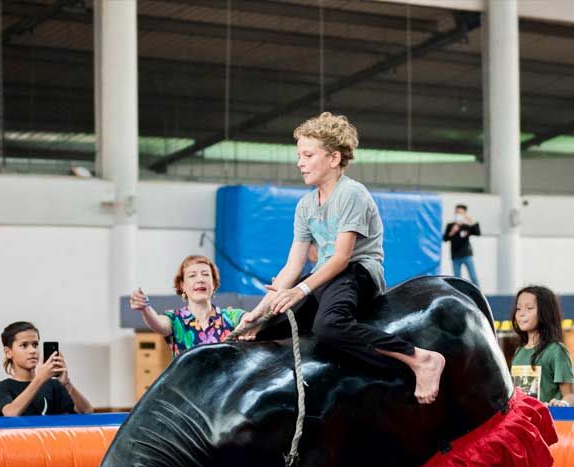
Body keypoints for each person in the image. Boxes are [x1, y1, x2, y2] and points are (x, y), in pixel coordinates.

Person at [234, 111, 446, 404]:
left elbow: (341, 259)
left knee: (328, 326)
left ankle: (419, 358)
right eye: (299, 155)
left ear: (333, 159)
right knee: (266, 330)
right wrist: (260, 313)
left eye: (308, 155)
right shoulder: (306, 206)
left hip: (357, 272)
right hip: (323, 278)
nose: (300, 162)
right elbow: (292, 266)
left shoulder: (352, 194)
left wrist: (300, 290)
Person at [129, 255, 245, 359]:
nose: (200, 279)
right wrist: (145, 308)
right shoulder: (175, 319)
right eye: (192, 275)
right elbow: (159, 324)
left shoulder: (230, 316)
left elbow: (251, 319)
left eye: (205, 274)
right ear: (182, 285)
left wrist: (264, 302)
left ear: (214, 283)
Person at [0, 321, 93, 416]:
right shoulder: (2, 387)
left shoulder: (53, 385)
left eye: (35, 345)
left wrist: (67, 383)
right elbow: (10, 413)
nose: (32, 350)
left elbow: (86, 412)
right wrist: (40, 378)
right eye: (24, 345)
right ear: (8, 352)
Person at [510, 286, 574, 406]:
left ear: (545, 312)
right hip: (522, 422)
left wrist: (561, 403)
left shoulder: (557, 351)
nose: (521, 314)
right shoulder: (518, 352)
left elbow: (570, 396)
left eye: (529, 308)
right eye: (518, 308)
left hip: (546, 422)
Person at [443, 204, 480, 286]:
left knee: (473, 277)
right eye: (457, 212)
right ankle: (458, 295)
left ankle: (479, 295)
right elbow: (445, 238)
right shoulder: (450, 226)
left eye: (461, 213)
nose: (459, 215)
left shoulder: (466, 226)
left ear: (464, 214)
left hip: (467, 255)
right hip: (455, 256)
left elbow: (478, 232)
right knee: (457, 278)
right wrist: (452, 231)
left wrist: (471, 222)